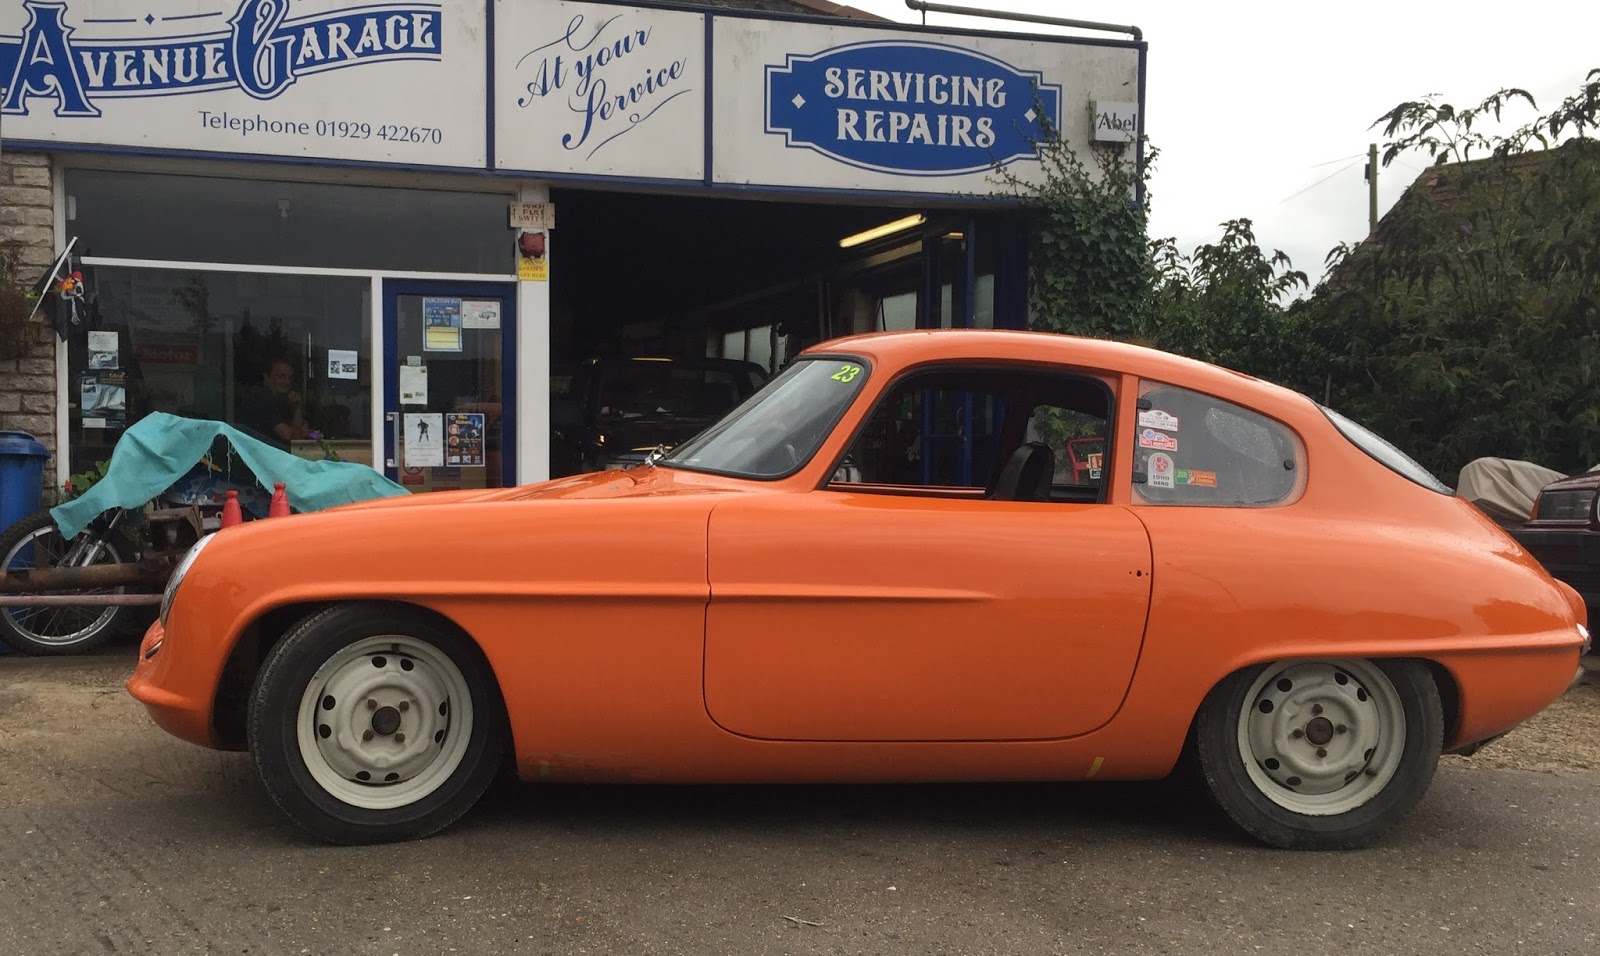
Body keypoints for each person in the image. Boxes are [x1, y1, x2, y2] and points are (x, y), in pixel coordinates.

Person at [238, 357, 309, 450]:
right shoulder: (261, 400)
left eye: (290, 378)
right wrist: (297, 407)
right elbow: (293, 439)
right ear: (267, 378)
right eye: (281, 377)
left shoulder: (282, 401)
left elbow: (302, 431)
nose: (287, 382)